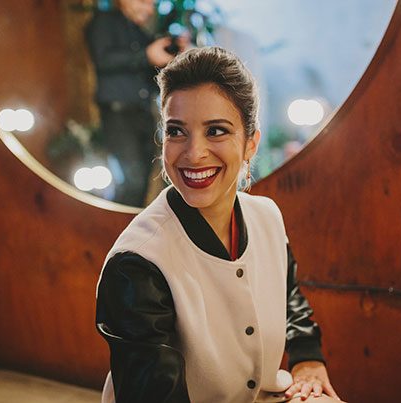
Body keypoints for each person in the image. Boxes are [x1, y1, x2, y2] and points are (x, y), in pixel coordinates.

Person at [96, 47, 342, 402]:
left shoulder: (267, 217)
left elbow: (288, 297)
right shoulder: (136, 264)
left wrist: (307, 358)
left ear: (250, 144)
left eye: (215, 131)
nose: (194, 153)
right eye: (176, 131)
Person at [85, 0, 187, 206]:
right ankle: (118, 224)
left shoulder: (140, 33)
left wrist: (175, 55)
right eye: (144, 2)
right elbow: (103, 59)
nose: (149, 10)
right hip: (118, 115)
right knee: (132, 181)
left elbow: (151, 74)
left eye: (152, 5)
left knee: (143, 182)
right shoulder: (103, 22)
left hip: (143, 113)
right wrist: (146, 55)